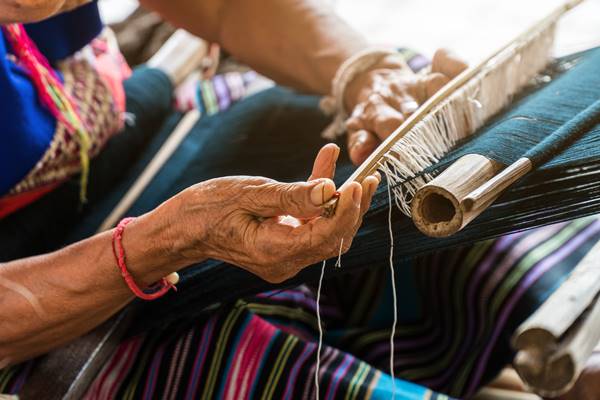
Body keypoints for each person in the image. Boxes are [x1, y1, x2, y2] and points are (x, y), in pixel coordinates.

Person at [1, 1, 598, 399]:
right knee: (220, 359)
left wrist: (365, 75)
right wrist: (164, 243)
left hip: (123, 142)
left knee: (424, 161)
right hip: (31, 283)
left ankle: (572, 341)